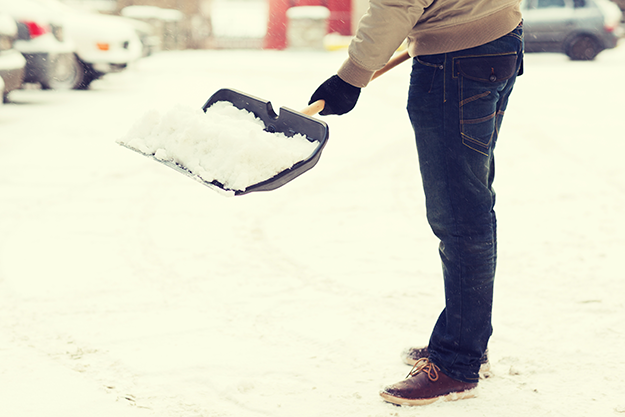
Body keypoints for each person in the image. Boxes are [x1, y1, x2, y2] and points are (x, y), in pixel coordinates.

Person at [308, 0, 524, 407]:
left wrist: (350, 76)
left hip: (457, 62)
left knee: (460, 212)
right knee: (471, 199)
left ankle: (458, 361)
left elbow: (398, 3)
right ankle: (468, 341)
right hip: (498, 40)